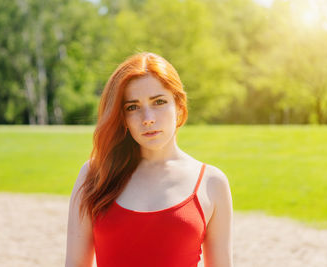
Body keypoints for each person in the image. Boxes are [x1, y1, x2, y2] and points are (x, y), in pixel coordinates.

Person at [65, 52, 233, 267]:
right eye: (132, 107)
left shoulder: (212, 183)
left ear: (179, 107)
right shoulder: (95, 175)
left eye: (159, 102)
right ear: (122, 117)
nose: (148, 119)